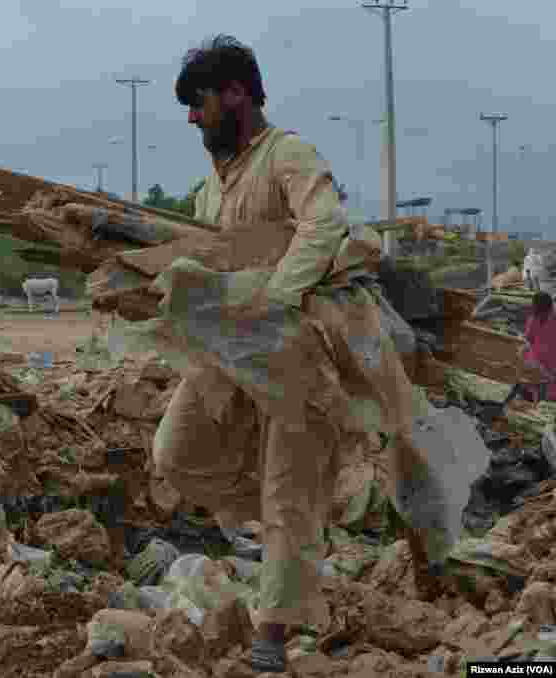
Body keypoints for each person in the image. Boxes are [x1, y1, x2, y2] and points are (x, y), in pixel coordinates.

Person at [147, 35, 430, 673]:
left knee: (288, 492)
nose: (192, 117)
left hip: (301, 355)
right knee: (176, 454)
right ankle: (293, 526)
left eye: (200, 102)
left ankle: (271, 638)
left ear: (238, 94)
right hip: (231, 358)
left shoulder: (288, 156)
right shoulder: (208, 192)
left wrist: (274, 300)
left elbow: (324, 224)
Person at [504, 292, 556, 407]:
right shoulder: (533, 319)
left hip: (551, 371)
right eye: (537, 311)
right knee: (527, 393)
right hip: (534, 365)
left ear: (549, 309)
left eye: (541, 312)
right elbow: (528, 339)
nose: (538, 315)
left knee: (546, 401)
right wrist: (521, 350)